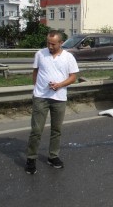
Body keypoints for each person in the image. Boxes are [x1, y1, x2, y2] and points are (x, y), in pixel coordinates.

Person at [25, 30, 79, 175]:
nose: (50, 46)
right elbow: (35, 72)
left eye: (53, 44)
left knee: (56, 130)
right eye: (48, 43)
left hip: (59, 98)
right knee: (36, 131)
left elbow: (73, 77)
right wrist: (36, 89)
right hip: (41, 97)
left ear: (61, 43)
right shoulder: (40, 54)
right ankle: (31, 159)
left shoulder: (68, 57)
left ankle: (53, 156)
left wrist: (59, 85)